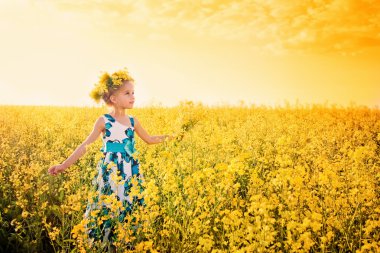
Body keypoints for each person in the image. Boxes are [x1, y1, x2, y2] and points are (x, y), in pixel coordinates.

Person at [48, 68, 173, 251]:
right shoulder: (104, 121)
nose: (133, 97)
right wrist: (64, 165)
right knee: (108, 205)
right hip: (110, 172)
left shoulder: (133, 121)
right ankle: (104, 245)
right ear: (113, 99)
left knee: (129, 205)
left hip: (131, 171)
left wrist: (172, 136)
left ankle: (128, 243)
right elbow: (85, 146)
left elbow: (150, 139)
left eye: (133, 93)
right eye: (127, 93)